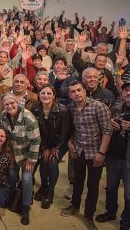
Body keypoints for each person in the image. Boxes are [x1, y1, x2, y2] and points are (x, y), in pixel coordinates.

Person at [61, 81, 112, 230]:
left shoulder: (99, 107)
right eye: (73, 91)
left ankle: (89, 215)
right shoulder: (70, 108)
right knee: (77, 180)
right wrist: (70, 141)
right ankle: (74, 205)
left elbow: (107, 131)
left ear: (84, 91)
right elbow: (70, 127)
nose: (76, 93)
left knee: (93, 185)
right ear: (69, 94)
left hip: (95, 152)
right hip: (78, 150)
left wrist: (101, 153)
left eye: (78, 90)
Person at [0, 93, 41, 225]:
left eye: (12, 103)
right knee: (12, 176)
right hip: (12, 155)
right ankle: (11, 197)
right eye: (6, 104)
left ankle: (25, 208)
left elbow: (36, 140)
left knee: (26, 179)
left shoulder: (28, 118)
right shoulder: (3, 116)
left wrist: (31, 160)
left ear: (18, 103)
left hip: (27, 155)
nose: (9, 106)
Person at [95, 79, 130, 229]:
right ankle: (110, 212)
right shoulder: (117, 108)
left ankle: (126, 223)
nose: (129, 93)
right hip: (113, 157)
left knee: (129, 195)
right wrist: (111, 124)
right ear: (121, 93)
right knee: (110, 187)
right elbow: (106, 130)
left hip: (129, 161)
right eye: (126, 90)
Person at [32, 85, 72, 209]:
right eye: (43, 93)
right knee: (44, 161)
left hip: (60, 142)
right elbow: (37, 131)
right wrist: (45, 147)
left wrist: (55, 148)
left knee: (52, 162)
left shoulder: (62, 110)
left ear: (54, 96)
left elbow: (65, 132)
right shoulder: (36, 109)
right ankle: (44, 186)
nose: (46, 96)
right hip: (45, 142)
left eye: (49, 93)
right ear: (39, 95)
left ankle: (50, 191)